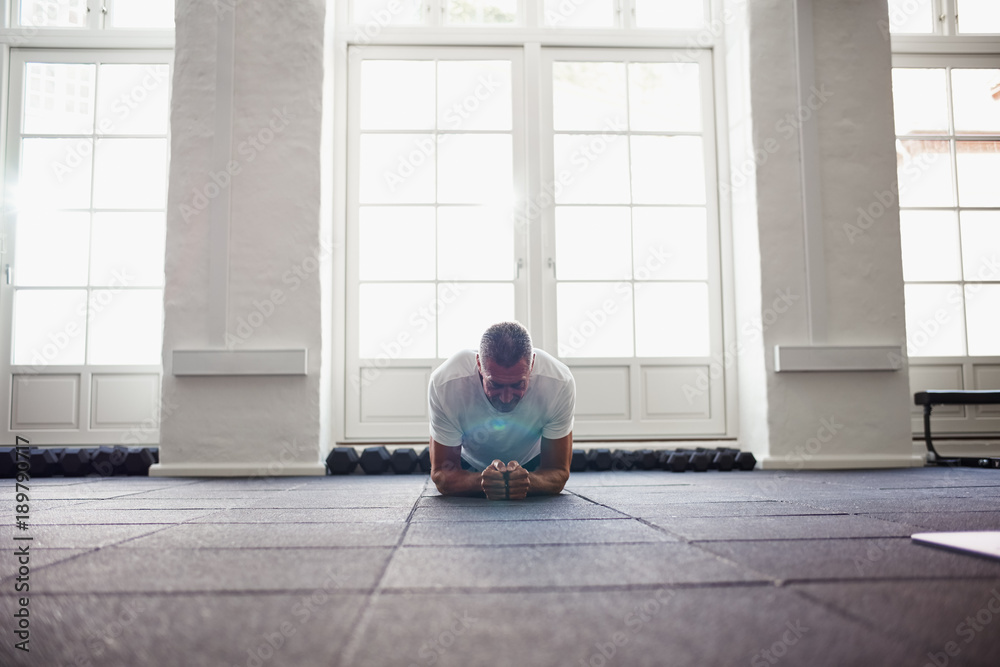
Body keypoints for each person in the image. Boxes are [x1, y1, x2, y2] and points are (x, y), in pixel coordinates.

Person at [428, 321, 575, 500]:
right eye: (495, 384)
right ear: (479, 365)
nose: (506, 398)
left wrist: (529, 481)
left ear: (532, 364)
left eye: (518, 384)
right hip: (468, 466)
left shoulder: (559, 382)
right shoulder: (445, 383)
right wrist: (481, 482)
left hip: (532, 466)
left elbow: (558, 472)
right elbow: (442, 474)